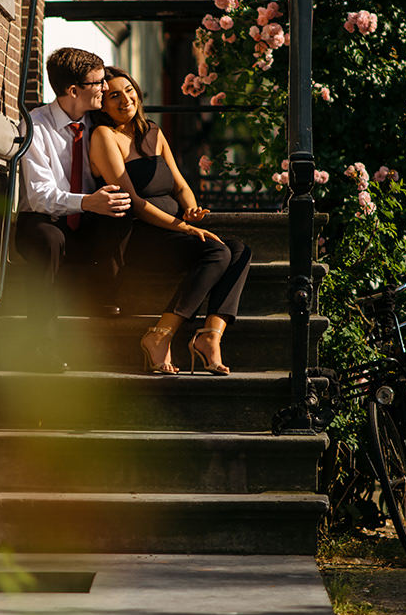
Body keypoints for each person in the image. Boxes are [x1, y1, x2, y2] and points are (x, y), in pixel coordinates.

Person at [87, 67, 251, 375]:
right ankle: (160, 335)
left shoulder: (153, 131)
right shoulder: (103, 136)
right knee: (218, 252)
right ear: (103, 105)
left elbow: (180, 185)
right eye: (114, 96)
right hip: (139, 236)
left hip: (173, 231)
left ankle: (211, 335)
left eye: (129, 90)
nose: (125, 100)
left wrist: (190, 210)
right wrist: (185, 227)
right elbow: (133, 203)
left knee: (240, 250)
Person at [14, 48, 133, 370]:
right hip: (42, 219)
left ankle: (106, 300)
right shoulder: (36, 126)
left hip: (86, 218)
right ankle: (42, 346)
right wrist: (87, 202)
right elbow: (38, 195)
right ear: (73, 90)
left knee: (122, 213)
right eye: (98, 82)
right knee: (48, 241)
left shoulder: (99, 124)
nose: (105, 89)